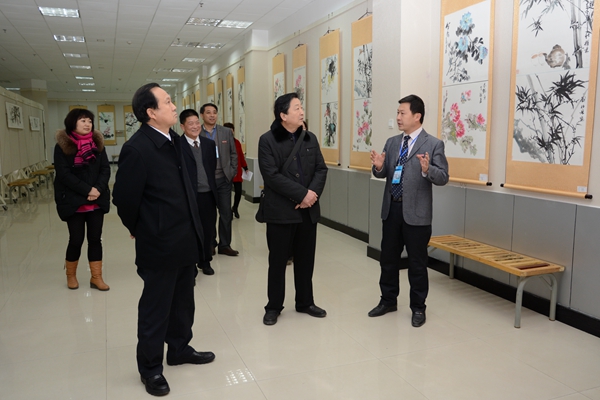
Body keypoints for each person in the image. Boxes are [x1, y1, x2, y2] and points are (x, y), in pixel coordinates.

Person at [112, 83, 215, 397]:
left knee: (183, 301)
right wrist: (143, 227)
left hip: (185, 239)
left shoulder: (176, 141)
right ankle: (150, 368)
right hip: (159, 243)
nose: (174, 106)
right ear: (151, 112)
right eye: (167, 102)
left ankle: (179, 349)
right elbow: (124, 199)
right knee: (156, 309)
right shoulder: (137, 148)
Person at [368, 94, 449, 327]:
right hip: (392, 209)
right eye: (397, 113)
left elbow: (443, 177)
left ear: (417, 116)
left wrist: (427, 169)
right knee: (388, 260)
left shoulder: (433, 144)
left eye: (402, 113)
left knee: (417, 264)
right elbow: (384, 173)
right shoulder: (393, 142)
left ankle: (418, 308)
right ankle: (388, 300)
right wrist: (379, 167)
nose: (398, 117)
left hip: (417, 214)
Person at [258, 92, 328, 326]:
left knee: (306, 260)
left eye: (301, 107)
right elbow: (271, 176)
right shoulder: (267, 140)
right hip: (280, 212)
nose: (301, 112)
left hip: (307, 211)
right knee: (278, 261)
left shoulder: (310, 138)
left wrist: (311, 195)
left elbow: (321, 169)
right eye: (296, 108)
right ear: (283, 115)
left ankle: (305, 302)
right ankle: (273, 306)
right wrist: (301, 194)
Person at [54, 108, 110, 291]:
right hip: (74, 200)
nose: (87, 124)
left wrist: (97, 189)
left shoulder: (98, 144)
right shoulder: (62, 146)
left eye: (89, 121)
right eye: (83, 121)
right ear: (73, 123)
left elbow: (105, 169)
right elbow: (64, 174)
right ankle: (71, 276)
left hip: (96, 200)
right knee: (76, 239)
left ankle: (96, 277)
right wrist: (88, 190)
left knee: (95, 239)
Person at [180, 109, 218, 276]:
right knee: (190, 232)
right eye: (190, 123)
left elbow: (211, 167)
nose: (195, 126)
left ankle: (205, 261)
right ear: (183, 126)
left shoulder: (209, 144)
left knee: (208, 230)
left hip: (208, 194)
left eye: (197, 122)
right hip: (188, 196)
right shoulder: (177, 145)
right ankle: (191, 265)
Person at [199, 103, 239, 256]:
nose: (212, 115)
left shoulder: (226, 132)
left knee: (226, 213)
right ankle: (210, 244)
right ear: (202, 115)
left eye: (214, 112)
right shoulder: (198, 132)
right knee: (209, 215)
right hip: (206, 181)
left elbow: (233, 153)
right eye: (208, 112)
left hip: (224, 179)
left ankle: (225, 245)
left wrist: (232, 171)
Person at [224, 122, 248, 219]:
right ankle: (227, 211)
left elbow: (241, 156)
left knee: (238, 192)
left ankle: (235, 208)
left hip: (237, 172)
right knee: (227, 193)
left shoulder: (237, 142)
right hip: (226, 172)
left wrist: (245, 167)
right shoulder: (222, 142)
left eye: (231, 130)